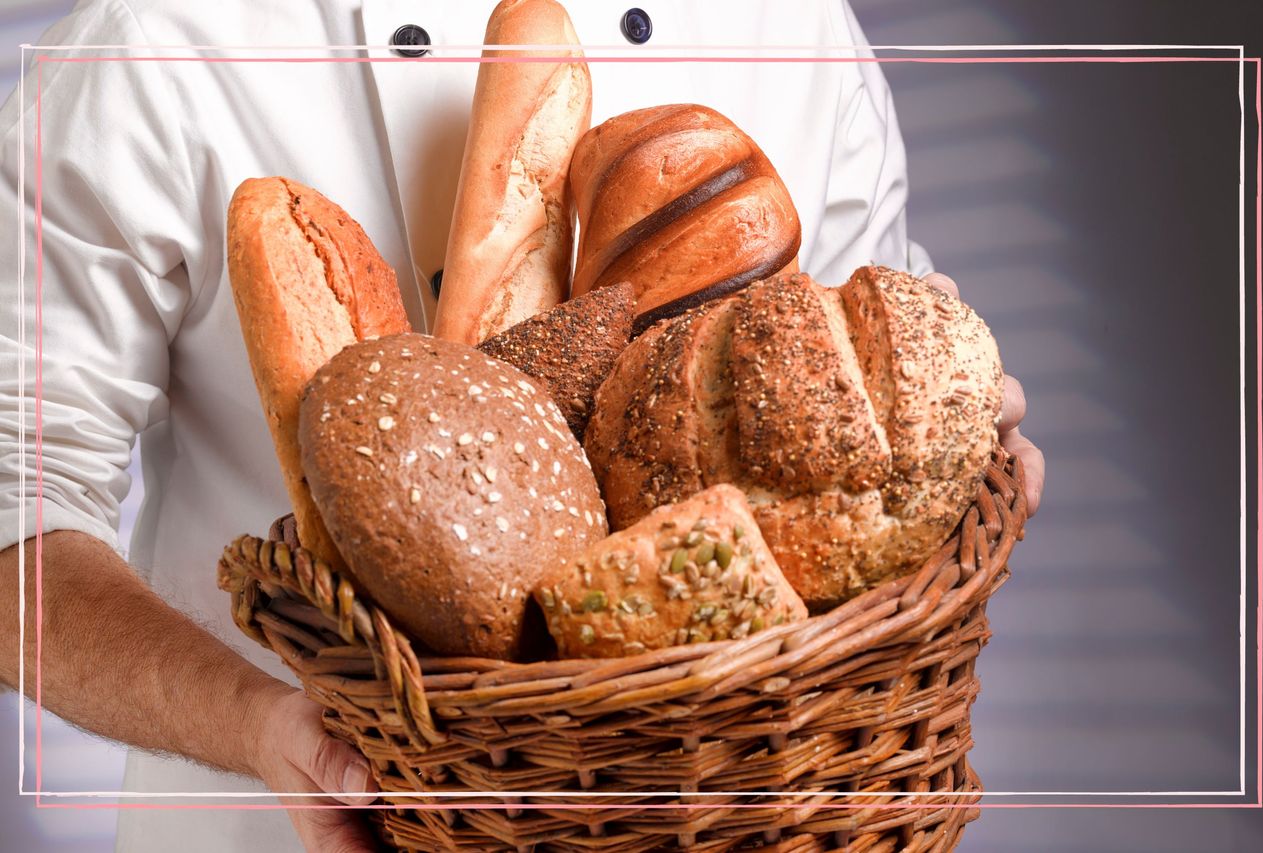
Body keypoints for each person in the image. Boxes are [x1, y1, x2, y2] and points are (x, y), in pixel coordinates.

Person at [0, 1, 1045, 851]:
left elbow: (862, 437)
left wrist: (961, 459)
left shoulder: (795, 31)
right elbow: (16, 514)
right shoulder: (159, 43)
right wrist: (259, 725)